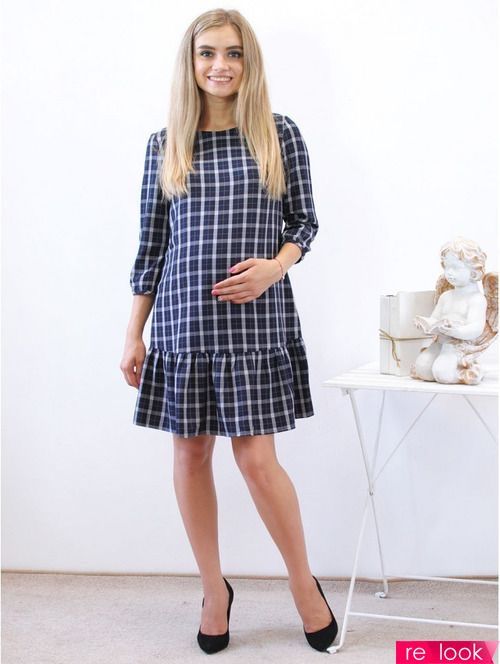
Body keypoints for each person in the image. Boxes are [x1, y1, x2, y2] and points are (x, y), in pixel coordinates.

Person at [120, 7, 338, 654]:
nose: (221, 65)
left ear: (249, 62)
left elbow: (303, 223)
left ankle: (303, 585)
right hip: (183, 320)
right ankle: (214, 590)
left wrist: (274, 267)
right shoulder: (165, 143)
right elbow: (151, 246)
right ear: (191, 63)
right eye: (208, 53)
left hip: (253, 320)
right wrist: (134, 333)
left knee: (257, 460)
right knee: (190, 454)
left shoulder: (277, 132)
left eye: (234, 53)